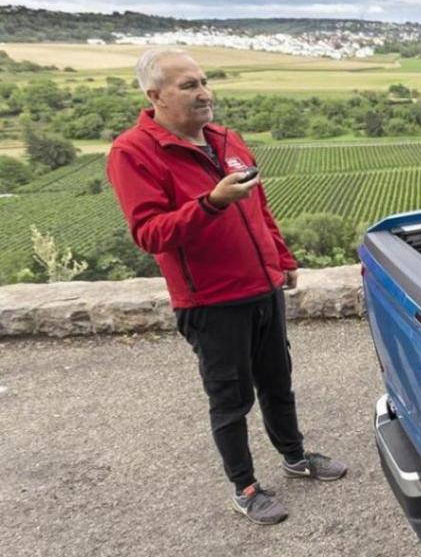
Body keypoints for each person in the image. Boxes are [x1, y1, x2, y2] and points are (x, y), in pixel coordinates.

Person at [106, 48, 346, 524]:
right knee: (231, 400)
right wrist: (210, 203)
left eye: (204, 81)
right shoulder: (133, 152)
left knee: (278, 382)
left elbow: (259, 206)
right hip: (211, 302)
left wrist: (281, 257)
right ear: (155, 96)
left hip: (262, 288)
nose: (204, 93)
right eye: (189, 86)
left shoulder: (225, 138)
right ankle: (245, 487)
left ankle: (295, 456)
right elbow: (149, 233)